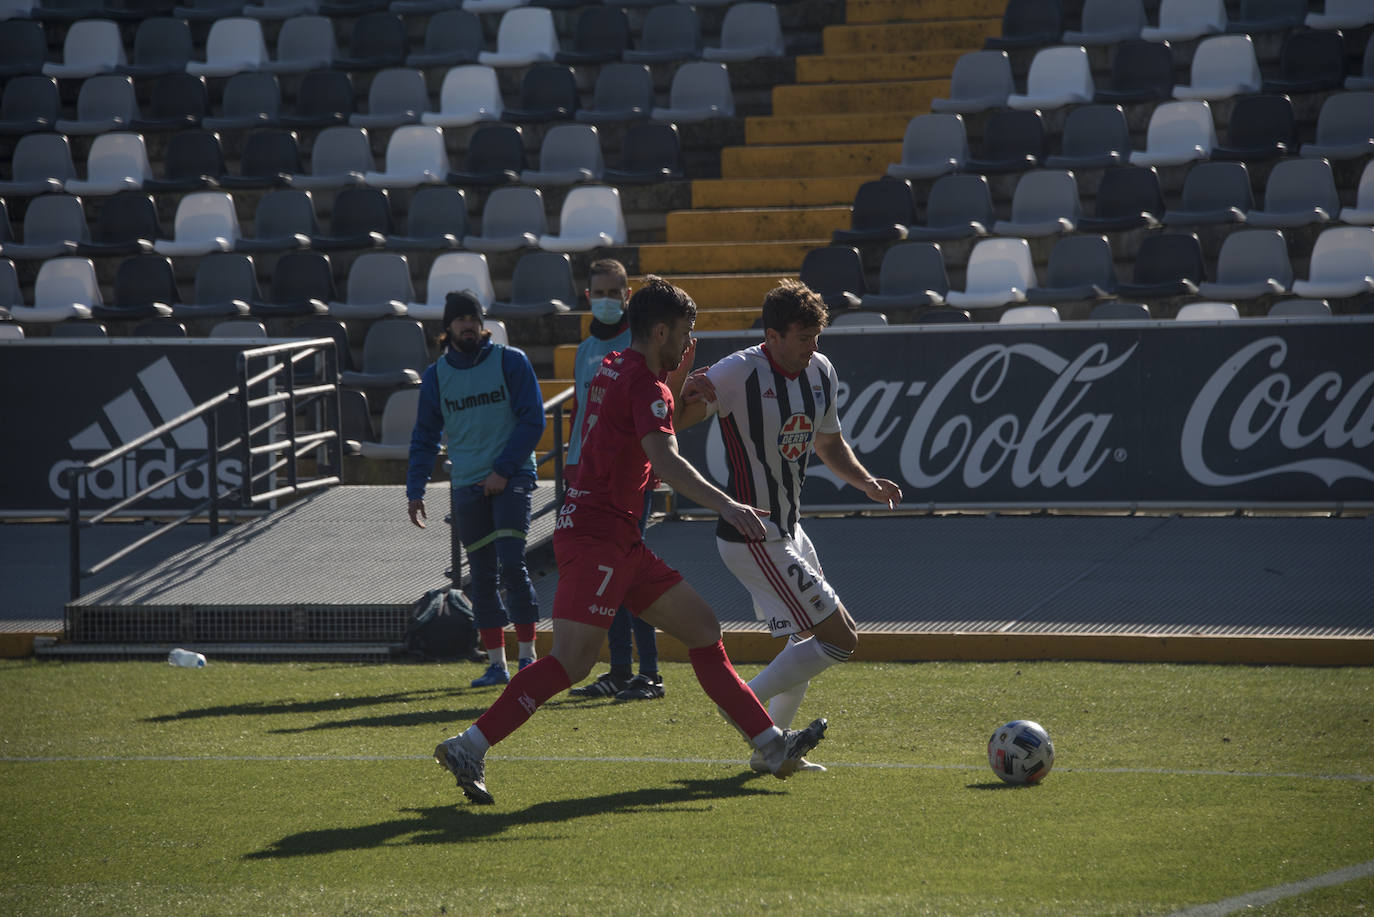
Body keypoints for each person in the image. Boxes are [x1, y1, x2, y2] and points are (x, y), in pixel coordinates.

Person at [433, 277, 827, 804]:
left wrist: (680, 375)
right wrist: (728, 504)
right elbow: (665, 457)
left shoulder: (616, 365)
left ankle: (771, 745)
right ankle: (470, 744)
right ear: (659, 330)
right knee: (573, 662)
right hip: (598, 536)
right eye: (683, 335)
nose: (687, 345)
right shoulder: (643, 383)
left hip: (615, 535)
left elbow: (652, 429)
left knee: (704, 629)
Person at [675, 279, 903, 773]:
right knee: (839, 639)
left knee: (803, 644)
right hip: (753, 534)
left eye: (816, 338)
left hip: (788, 531)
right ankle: (744, 707)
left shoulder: (820, 370)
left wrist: (864, 483)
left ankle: (771, 755)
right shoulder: (736, 373)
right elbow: (672, 421)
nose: (812, 348)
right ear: (772, 335)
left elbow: (828, 443)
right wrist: (680, 388)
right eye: (803, 338)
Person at [407, 291, 546, 688]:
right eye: (460, 319)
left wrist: (503, 471)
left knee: (512, 565)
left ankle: (528, 659)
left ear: (482, 323)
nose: (468, 324)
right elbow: (425, 436)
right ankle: (497, 665)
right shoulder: (436, 375)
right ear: (447, 327)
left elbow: (532, 421)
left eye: (473, 317)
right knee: (482, 577)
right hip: (467, 482)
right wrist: (415, 489)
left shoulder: (511, 361)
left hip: (512, 477)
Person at [564, 259, 664, 702]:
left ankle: (650, 672)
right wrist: (572, 467)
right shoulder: (586, 349)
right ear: (588, 296)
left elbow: (655, 414)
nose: (607, 299)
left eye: (615, 291)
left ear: (628, 294)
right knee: (609, 574)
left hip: (628, 480)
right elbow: (581, 416)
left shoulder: (638, 345)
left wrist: (655, 468)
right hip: (590, 478)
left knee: (629, 572)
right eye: (598, 291)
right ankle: (621, 670)